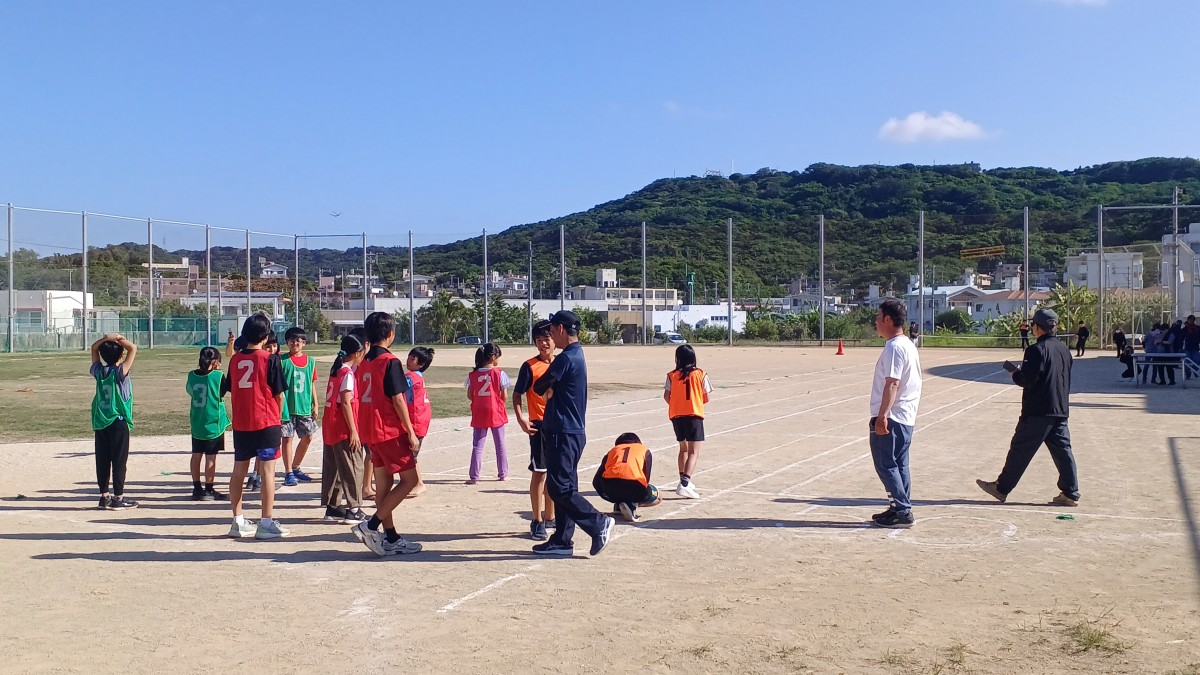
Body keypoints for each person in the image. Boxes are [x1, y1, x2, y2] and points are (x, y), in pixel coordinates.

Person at [531, 310, 615, 556]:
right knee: (566, 485)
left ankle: (598, 523)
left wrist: (550, 387)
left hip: (563, 431)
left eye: (552, 331)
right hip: (571, 430)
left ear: (560, 329)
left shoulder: (566, 357)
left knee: (558, 488)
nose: (550, 337)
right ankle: (562, 539)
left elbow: (539, 386)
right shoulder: (577, 354)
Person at [977, 308, 1080, 507]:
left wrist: (1016, 373)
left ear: (1037, 327)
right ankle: (1070, 492)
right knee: (1063, 452)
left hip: (1038, 410)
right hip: (1059, 408)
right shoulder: (1064, 349)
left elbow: (1028, 380)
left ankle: (1001, 488)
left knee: (1020, 449)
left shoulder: (1035, 350)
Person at [350, 312, 423, 556]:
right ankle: (370, 525)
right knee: (410, 480)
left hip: (370, 429)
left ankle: (390, 537)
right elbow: (397, 398)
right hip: (388, 429)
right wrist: (410, 431)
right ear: (390, 334)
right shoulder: (389, 361)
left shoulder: (363, 362)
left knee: (384, 483)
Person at [221, 314, 290, 539]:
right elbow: (279, 395)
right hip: (266, 421)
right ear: (266, 336)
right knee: (268, 472)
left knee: (238, 470)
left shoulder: (235, 360)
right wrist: (278, 419)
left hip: (242, 423)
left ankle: (238, 521)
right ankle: (266, 523)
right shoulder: (270, 359)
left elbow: (232, 387)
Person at [867, 299, 922, 528]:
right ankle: (899, 507)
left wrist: (882, 416)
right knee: (899, 465)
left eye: (878, 318)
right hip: (905, 416)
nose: (876, 322)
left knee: (886, 464)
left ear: (888, 319)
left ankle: (902, 510)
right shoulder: (907, 344)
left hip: (894, 417)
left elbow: (892, 383)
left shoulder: (895, 347)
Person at [514, 320, 557, 541]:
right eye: (538, 340)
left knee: (554, 473)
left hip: (558, 425)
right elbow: (517, 394)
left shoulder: (562, 363)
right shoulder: (530, 366)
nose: (543, 344)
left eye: (546, 339)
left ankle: (551, 516)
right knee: (540, 472)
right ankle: (537, 520)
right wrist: (521, 419)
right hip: (539, 425)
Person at [320, 334, 368, 524]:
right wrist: (354, 430)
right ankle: (354, 509)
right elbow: (346, 402)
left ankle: (333, 506)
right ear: (357, 353)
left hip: (330, 425)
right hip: (342, 426)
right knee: (353, 465)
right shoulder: (347, 373)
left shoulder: (336, 370)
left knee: (334, 467)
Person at [90, 333, 139, 510]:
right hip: (118, 421)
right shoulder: (119, 372)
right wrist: (118, 338)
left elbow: (93, 348)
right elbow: (133, 348)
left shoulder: (99, 372)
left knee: (102, 460)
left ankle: (104, 496)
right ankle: (118, 497)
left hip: (101, 421)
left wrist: (106, 338)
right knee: (119, 461)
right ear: (121, 355)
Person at [664, 344, 713, 499]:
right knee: (693, 451)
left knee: (683, 448)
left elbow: (666, 396)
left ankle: (683, 479)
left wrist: (678, 404)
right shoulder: (701, 374)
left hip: (676, 415)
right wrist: (694, 402)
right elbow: (706, 397)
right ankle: (685, 483)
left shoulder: (672, 375)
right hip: (693, 414)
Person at [186, 346, 230, 501]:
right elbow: (222, 392)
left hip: (197, 421)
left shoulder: (192, 375)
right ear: (216, 361)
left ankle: (197, 488)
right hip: (213, 422)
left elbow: (190, 391)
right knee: (211, 457)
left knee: (196, 454)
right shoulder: (218, 375)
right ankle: (209, 489)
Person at [465, 342, 510, 485]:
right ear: (493, 357)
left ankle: (474, 476)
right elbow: (504, 396)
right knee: (500, 444)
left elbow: (470, 395)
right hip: (496, 411)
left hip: (479, 411)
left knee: (478, 445)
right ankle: (503, 474)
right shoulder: (500, 373)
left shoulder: (473, 375)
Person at [592, 432, 663, 522]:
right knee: (659, 496)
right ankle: (631, 504)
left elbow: (596, 480)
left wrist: (608, 496)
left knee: (618, 486)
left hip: (610, 488)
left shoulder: (612, 451)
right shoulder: (644, 450)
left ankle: (619, 504)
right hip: (635, 487)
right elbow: (646, 479)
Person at [281, 326, 319, 485]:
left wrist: (315, 404)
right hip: (286, 408)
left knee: (308, 437)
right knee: (287, 439)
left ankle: (296, 466)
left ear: (304, 343)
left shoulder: (310, 361)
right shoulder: (281, 360)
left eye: (298, 340)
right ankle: (288, 472)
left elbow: (311, 383)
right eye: (291, 340)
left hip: (304, 407)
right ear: (287, 342)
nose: (295, 343)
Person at [405, 346, 435, 496]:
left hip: (416, 420)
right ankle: (417, 482)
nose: (408, 360)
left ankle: (418, 483)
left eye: (413, 359)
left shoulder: (411, 377)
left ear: (421, 364)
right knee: (410, 454)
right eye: (409, 357)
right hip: (420, 419)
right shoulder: (417, 376)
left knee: (411, 455)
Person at [1183, 315, 1200, 381]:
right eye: (1190, 319)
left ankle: (1195, 370)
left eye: (1193, 319)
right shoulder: (1185, 329)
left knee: (1197, 360)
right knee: (1187, 361)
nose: (1191, 321)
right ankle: (1188, 373)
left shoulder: (1197, 328)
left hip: (1195, 347)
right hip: (1187, 347)